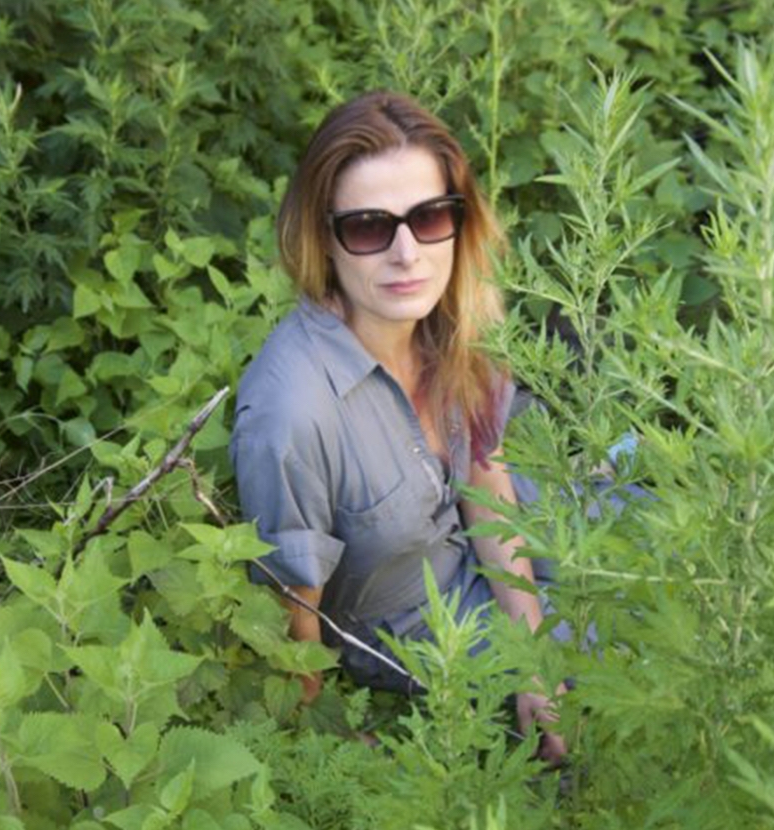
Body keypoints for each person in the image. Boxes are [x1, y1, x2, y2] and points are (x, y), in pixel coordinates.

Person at [230, 90, 565, 763]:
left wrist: (533, 659)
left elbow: (485, 481)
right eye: (368, 227)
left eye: (430, 216)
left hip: (506, 546)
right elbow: (293, 622)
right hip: (427, 629)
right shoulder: (293, 409)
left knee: (666, 557)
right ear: (325, 238)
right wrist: (338, 746)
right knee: (627, 662)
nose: (407, 252)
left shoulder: (447, 321)